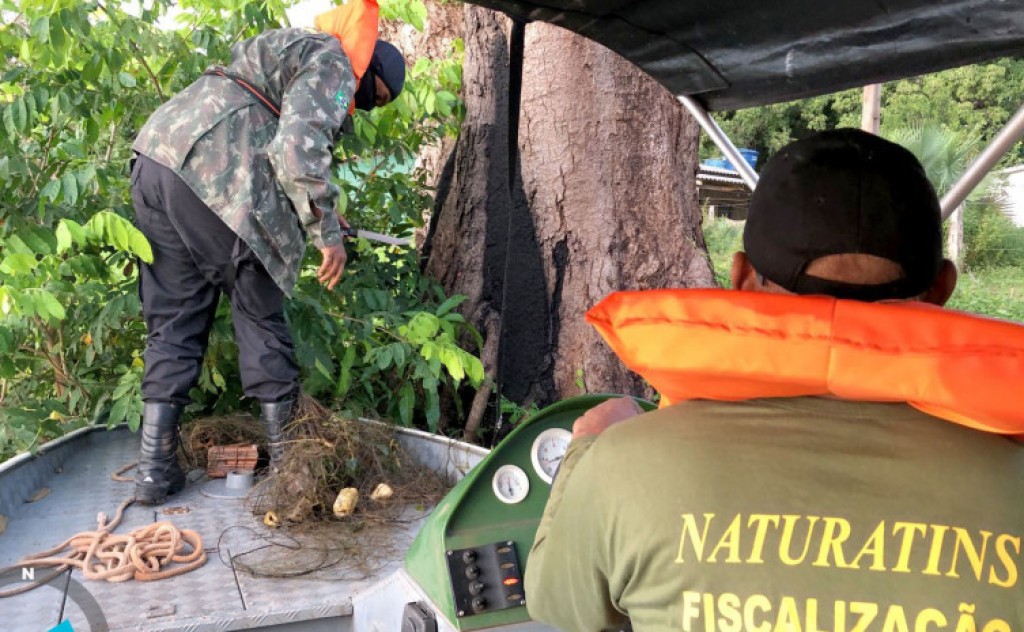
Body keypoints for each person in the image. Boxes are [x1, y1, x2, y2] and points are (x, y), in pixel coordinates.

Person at [524, 129, 1024, 630]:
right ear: (942, 288)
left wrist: (587, 450)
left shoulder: (622, 466)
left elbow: (556, 606)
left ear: (741, 280)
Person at [129, 0, 406, 505]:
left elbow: (277, 133)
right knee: (258, 307)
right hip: (220, 174)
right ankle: (290, 473)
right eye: (373, 97)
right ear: (371, 68)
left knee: (173, 318)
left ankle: (153, 471)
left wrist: (323, 210)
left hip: (158, 160)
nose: (362, 105)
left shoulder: (294, 46)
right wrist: (327, 234)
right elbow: (295, 148)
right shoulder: (336, 60)